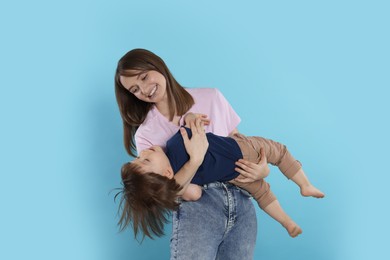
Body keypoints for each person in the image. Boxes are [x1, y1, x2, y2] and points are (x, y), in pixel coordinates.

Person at [115, 48, 276, 259]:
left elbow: (239, 144)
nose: (144, 89)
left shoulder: (211, 97)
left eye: (144, 77)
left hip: (241, 200)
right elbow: (166, 189)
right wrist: (195, 160)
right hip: (198, 208)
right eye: (135, 89)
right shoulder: (146, 134)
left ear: (157, 65)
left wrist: (262, 170)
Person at [117, 113, 324, 240]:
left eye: (137, 157)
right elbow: (193, 125)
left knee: (262, 193)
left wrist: (169, 187)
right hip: (242, 149)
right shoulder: (175, 144)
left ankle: (287, 222)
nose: (143, 152)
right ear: (166, 173)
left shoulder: (185, 186)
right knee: (279, 151)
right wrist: (191, 118)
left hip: (234, 176)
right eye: (145, 161)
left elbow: (195, 193)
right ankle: (304, 185)